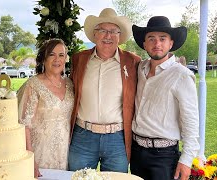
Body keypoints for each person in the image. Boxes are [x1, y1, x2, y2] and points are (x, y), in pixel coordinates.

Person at [68, 8, 141, 172]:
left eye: (114, 31)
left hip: (117, 139)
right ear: (95, 34)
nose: (108, 36)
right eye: (103, 31)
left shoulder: (132, 62)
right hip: (83, 137)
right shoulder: (79, 59)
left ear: (119, 37)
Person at [130, 16, 200, 180]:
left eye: (163, 39)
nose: (157, 44)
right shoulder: (140, 69)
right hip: (136, 152)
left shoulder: (182, 75)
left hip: (164, 156)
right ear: (144, 44)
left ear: (171, 43)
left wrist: (187, 160)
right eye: (151, 39)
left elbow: (191, 121)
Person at [17, 38, 74, 178]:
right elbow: (23, 125)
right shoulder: (33, 85)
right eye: (51, 54)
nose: (57, 59)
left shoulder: (70, 83)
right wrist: (30, 159)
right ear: (43, 58)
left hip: (65, 153)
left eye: (61, 55)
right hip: (40, 152)